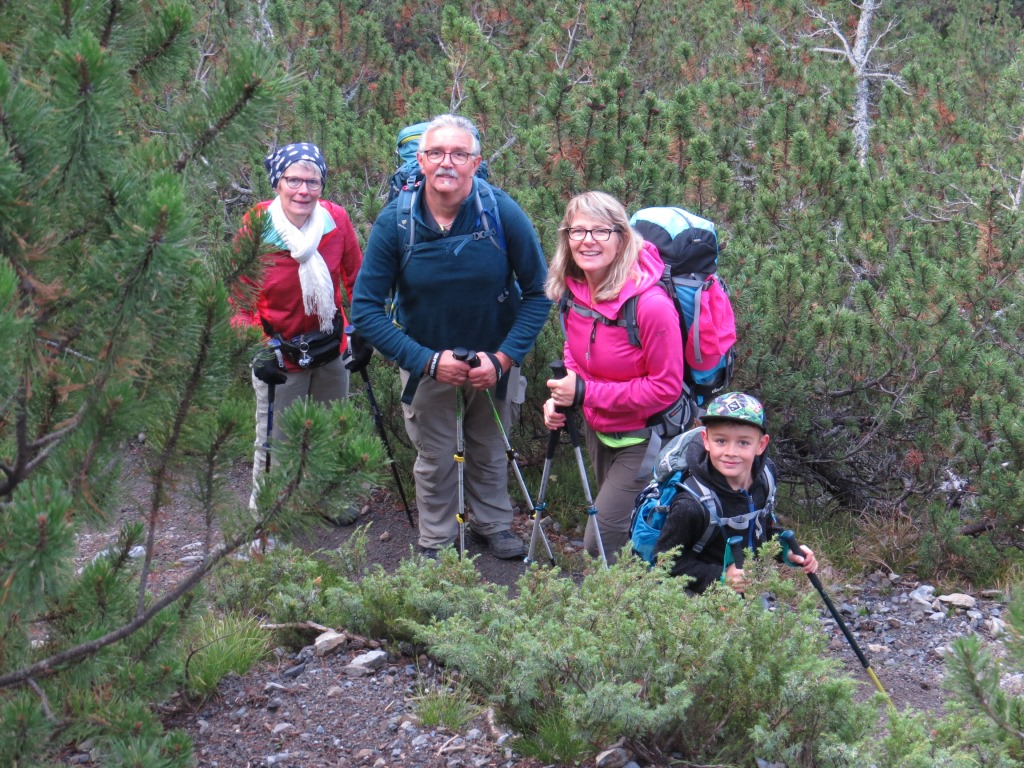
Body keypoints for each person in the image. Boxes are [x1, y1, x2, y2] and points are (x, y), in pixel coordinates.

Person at [350, 114, 550, 559]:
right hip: (425, 362)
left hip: (494, 361)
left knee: (490, 447)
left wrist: (503, 358)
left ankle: (493, 524)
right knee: (435, 457)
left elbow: (540, 293)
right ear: (420, 161)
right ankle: (437, 539)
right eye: (437, 152)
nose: (447, 162)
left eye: (459, 153)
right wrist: (426, 360)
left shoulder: (501, 211)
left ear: (476, 162)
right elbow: (365, 309)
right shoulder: (396, 221)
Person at [543, 191, 684, 563]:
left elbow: (666, 387)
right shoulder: (574, 292)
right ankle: (635, 592)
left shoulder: (651, 305)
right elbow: (575, 351)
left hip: (646, 436)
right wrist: (562, 395)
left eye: (601, 231)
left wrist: (584, 393)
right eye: (577, 231)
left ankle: (663, 589)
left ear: (622, 238)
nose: (587, 240)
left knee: (601, 542)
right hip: (600, 430)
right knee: (626, 534)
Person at [233, 142, 366, 524]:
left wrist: (363, 330)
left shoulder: (335, 221)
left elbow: (358, 279)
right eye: (293, 180)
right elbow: (237, 300)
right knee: (275, 440)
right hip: (278, 354)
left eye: (313, 182)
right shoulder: (257, 226)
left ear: (322, 185)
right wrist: (257, 349)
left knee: (330, 431)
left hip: (330, 346)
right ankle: (269, 516)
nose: (303, 190)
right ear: (278, 182)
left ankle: (327, 499)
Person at [652, 392, 818, 593]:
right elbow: (664, 562)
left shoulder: (765, 478)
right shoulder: (690, 504)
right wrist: (721, 577)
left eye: (743, 442)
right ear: (706, 440)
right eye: (721, 441)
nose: (731, 452)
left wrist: (787, 550)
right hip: (694, 598)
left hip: (745, 589)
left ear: (761, 444)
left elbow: (762, 528)